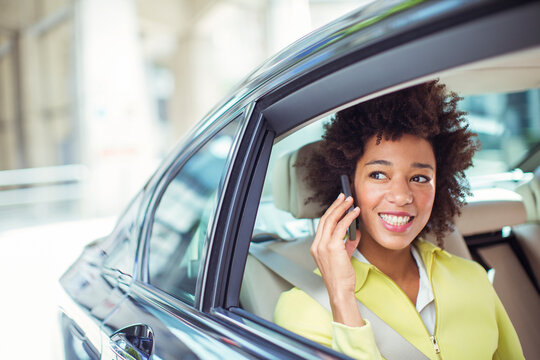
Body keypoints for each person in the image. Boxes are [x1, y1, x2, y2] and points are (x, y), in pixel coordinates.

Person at [273, 81, 524, 359]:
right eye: (379, 174)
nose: (402, 196)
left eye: (419, 178)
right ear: (347, 185)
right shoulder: (303, 308)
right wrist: (342, 299)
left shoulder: (473, 278)